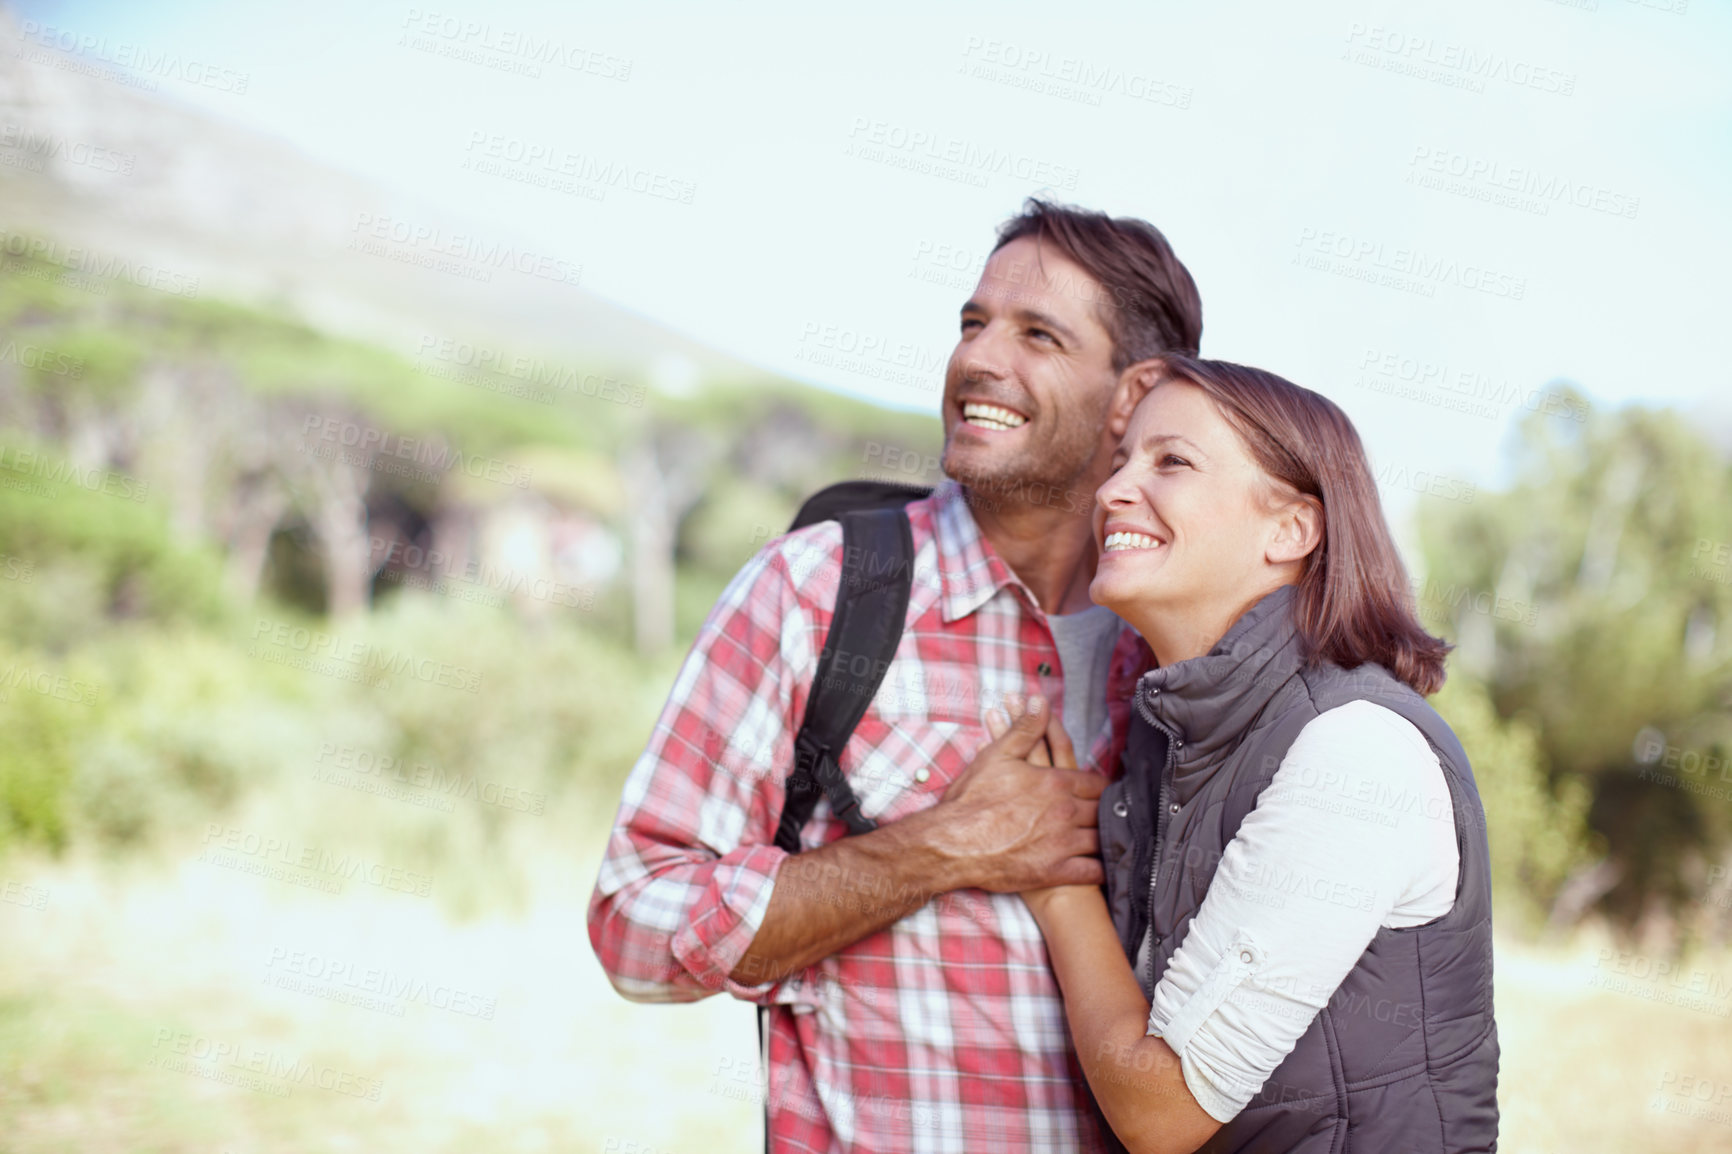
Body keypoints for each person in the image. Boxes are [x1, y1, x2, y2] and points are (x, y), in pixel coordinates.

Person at [587, 201, 1204, 1152]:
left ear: (1137, 394)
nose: (979, 360)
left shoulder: (1185, 649)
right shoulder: (817, 590)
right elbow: (634, 924)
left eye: (1038, 334)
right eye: (973, 323)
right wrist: (944, 848)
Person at [998, 356, 1497, 1153]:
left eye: (1172, 461)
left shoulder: (1355, 752)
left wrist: (1055, 882)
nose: (1111, 491)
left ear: (1292, 529)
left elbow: (1161, 1112)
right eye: (1121, 460)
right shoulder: (1173, 744)